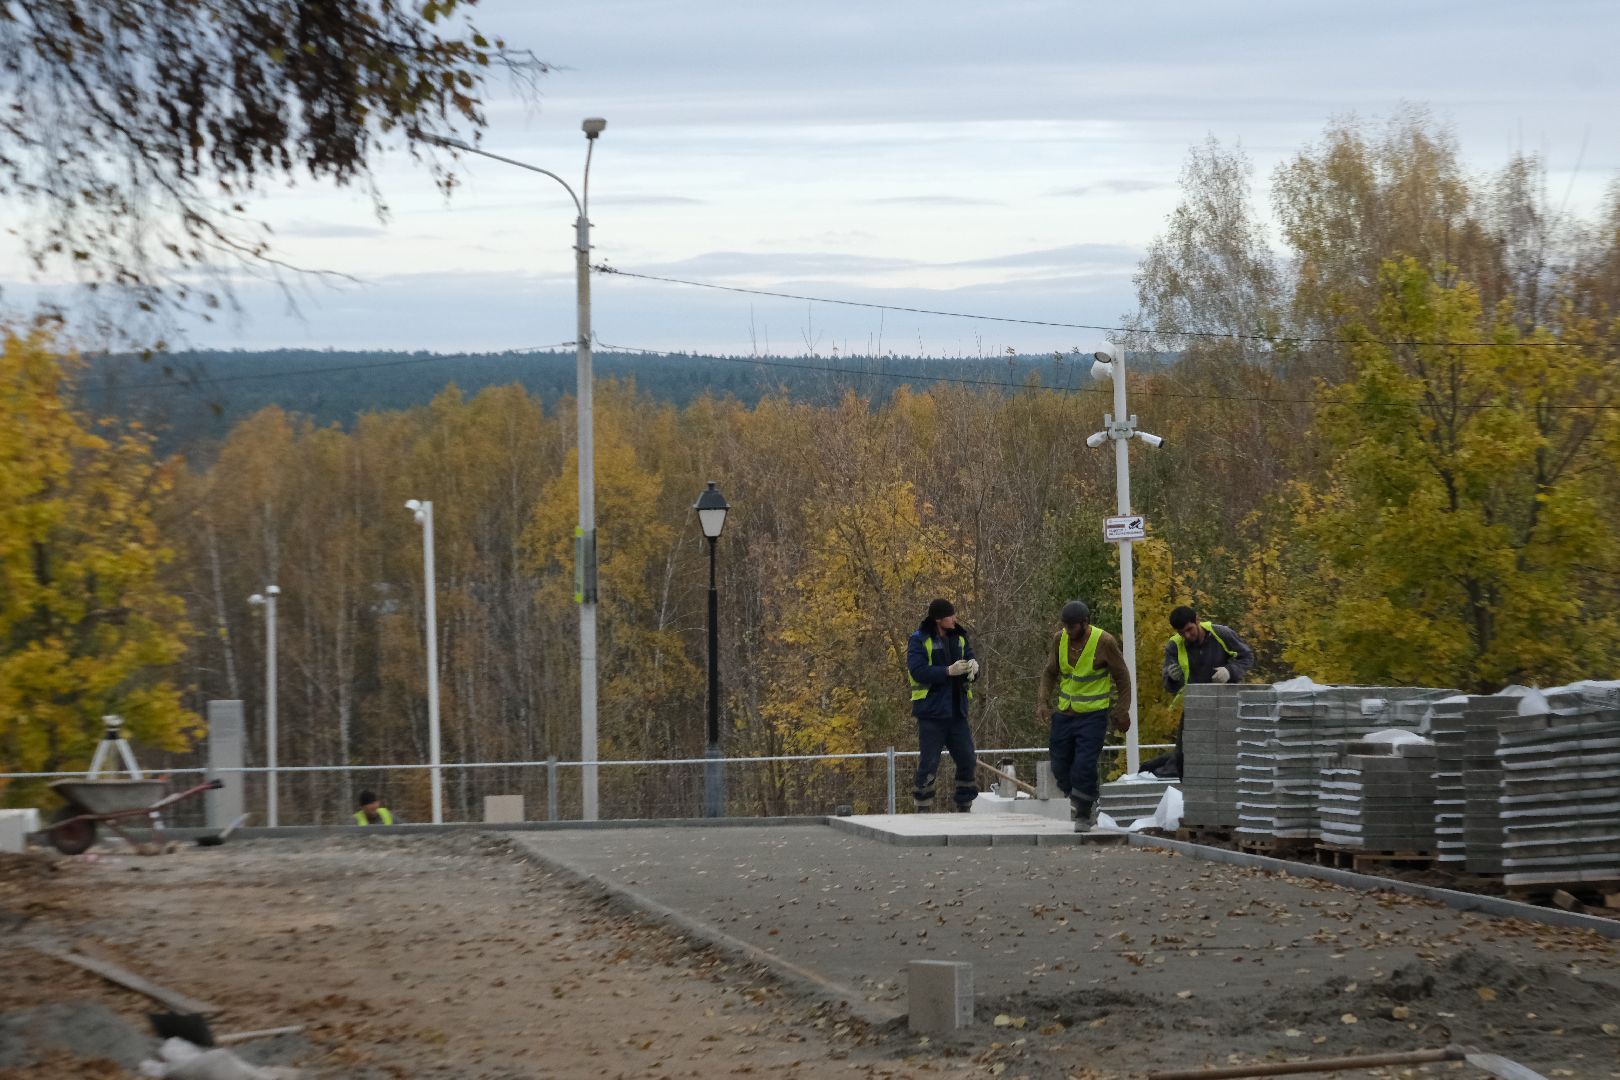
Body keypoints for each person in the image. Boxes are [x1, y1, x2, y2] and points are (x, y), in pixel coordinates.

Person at [1036, 600, 1132, 832]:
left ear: (1085, 623)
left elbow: (1123, 677)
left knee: (1084, 765)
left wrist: (1122, 710)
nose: (1068, 630)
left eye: (1072, 627)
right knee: (1059, 766)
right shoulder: (1060, 639)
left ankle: (1083, 812)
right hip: (1064, 714)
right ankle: (1084, 797)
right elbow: (1050, 672)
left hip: (1093, 716)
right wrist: (1042, 701)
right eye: (1065, 626)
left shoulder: (1104, 642)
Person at [1145, 605, 1256, 778]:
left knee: (1227, 753)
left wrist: (1230, 671)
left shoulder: (1222, 634)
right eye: (1182, 633)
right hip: (1195, 706)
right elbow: (1169, 685)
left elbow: (1247, 656)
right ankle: (1168, 778)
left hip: (1225, 704)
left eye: (1189, 630)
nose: (1187, 636)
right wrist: (1172, 678)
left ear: (1197, 620)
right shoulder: (1175, 646)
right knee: (1183, 758)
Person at [906, 598, 980, 812]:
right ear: (938, 619)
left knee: (967, 759)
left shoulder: (960, 636)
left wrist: (974, 670)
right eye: (951, 615)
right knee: (929, 764)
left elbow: (970, 660)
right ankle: (923, 806)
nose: (955, 619)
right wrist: (946, 671)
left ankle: (964, 804)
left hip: (957, 711)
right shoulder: (919, 639)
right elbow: (917, 671)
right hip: (931, 712)